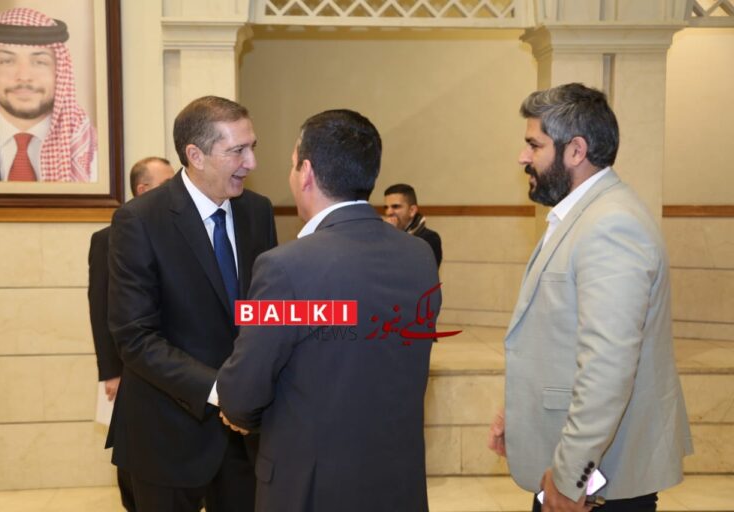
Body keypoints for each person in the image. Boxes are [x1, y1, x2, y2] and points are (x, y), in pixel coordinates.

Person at [216, 110, 441, 512]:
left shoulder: (282, 267)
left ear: (306, 172)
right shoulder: (419, 255)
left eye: (292, 164)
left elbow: (241, 393)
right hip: (397, 482)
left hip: (311, 490)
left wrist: (239, 408)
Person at [488, 83, 693, 512]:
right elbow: (560, 337)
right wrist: (520, 414)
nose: (523, 157)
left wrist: (570, 478)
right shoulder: (582, 215)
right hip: (578, 470)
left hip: (595, 485)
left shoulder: (611, 225)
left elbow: (608, 366)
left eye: (534, 145)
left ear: (576, 150)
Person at [107, 96, 277, 512]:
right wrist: (221, 390)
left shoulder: (257, 211)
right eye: (238, 150)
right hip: (166, 433)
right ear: (196, 155)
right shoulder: (140, 220)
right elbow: (135, 337)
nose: (251, 162)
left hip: (244, 439)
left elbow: (262, 312)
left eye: (252, 147)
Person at [87, 157, 174, 512]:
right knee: (133, 449)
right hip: (129, 365)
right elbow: (101, 306)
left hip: (169, 362)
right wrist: (111, 371)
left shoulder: (176, 230)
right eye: (167, 183)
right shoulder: (107, 239)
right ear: (143, 189)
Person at [0, 7, 96, 182]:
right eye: (7, 61)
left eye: (40, 62)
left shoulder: (93, 153)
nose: (24, 76)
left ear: (59, 72)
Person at [383, 183, 442, 267]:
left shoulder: (429, 239)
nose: (389, 212)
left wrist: (393, 235)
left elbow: (410, 268)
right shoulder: (382, 235)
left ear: (412, 210)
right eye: (386, 207)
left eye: (395, 206)